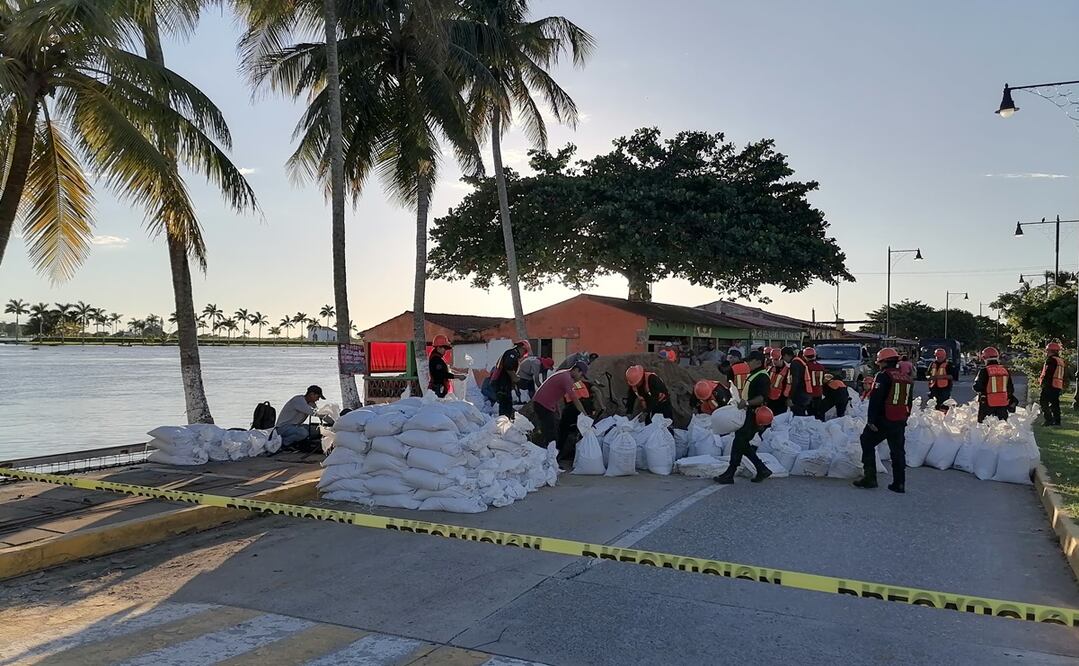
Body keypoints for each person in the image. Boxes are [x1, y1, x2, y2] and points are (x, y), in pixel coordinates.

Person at [853, 348, 913, 493]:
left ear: (884, 361)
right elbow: (908, 401)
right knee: (897, 451)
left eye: (880, 362)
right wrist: (905, 417)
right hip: (899, 418)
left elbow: (876, 399)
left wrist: (871, 420)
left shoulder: (883, 376)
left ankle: (870, 478)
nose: (879, 365)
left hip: (884, 419)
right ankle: (899, 483)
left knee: (866, 441)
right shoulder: (906, 377)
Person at [714, 351, 774, 485]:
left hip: (753, 415)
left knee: (739, 442)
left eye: (750, 361)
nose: (747, 363)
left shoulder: (762, 377)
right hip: (747, 413)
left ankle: (730, 473)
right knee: (742, 444)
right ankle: (761, 469)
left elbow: (762, 397)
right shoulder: (754, 374)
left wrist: (746, 403)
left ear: (758, 362)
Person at [530, 362, 589, 462]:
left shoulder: (564, 374)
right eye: (581, 375)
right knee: (550, 434)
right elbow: (574, 398)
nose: (580, 378)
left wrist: (556, 408)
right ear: (576, 370)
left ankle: (549, 459)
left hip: (545, 404)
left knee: (550, 431)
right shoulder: (567, 378)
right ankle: (549, 461)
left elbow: (555, 392)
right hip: (542, 404)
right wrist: (584, 414)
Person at [973, 347, 1015, 423]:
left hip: (987, 404)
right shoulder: (1005, 370)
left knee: (984, 427)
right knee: (1002, 427)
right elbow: (1010, 389)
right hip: (1003, 404)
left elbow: (977, 387)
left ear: (984, 358)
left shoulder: (984, 371)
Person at [491, 340, 530, 419]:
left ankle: (505, 421)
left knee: (506, 404)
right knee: (505, 405)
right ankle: (503, 423)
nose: (523, 355)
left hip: (505, 384)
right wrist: (515, 378)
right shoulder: (512, 354)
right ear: (522, 348)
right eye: (525, 352)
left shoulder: (513, 354)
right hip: (502, 384)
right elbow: (508, 366)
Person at [789, 347, 823, 417]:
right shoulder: (820, 366)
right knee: (817, 414)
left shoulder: (805, 366)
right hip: (819, 392)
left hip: (808, 393)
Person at [1039, 342, 1066, 427]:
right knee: (1055, 404)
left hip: (1050, 385)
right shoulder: (1060, 361)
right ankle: (1057, 421)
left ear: (1051, 351)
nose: (1046, 352)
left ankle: (1049, 420)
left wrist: (1043, 383)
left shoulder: (1051, 360)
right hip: (1057, 385)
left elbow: (1048, 373)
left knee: (1043, 402)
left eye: (1047, 350)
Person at [766, 347, 793, 416]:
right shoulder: (771, 369)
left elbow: (789, 386)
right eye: (772, 359)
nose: (774, 362)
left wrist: (787, 398)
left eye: (776, 359)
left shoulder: (788, 370)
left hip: (781, 400)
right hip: (770, 399)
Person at [926, 348, 954, 413]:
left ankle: (943, 417)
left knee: (944, 404)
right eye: (937, 356)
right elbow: (927, 375)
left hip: (945, 388)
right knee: (934, 404)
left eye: (940, 357)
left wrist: (940, 377)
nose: (939, 358)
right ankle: (935, 417)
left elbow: (951, 376)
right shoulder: (932, 364)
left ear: (944, 356)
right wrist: (930, 377)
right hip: (933, 387)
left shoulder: (948, 364)